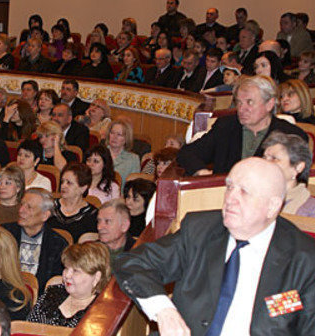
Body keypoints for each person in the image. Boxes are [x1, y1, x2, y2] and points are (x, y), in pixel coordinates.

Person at [115, 157, 315, 335]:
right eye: (229, 187)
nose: (230, 199)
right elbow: (134, 263)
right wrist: (164, 310)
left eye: (244, 192)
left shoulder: (304, 259)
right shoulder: (201, 230)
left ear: (272, 206)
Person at [177, 75, 308, 176]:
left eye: (249, 102)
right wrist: (202, 172)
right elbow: (187, 152)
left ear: (269, 104)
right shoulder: (226, 126)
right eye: (239, 103)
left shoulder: (291, 135)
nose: (242, 109)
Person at [27, 242, 110, 328]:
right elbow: (27, 329)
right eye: (66, 268)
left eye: (75, 271)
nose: (67, 275)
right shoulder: (52, 293)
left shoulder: (103, 310)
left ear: (96, 277)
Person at [2, 188, 68, 293]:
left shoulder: (57, 244)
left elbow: (55, 286)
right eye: (22, 204)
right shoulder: (4, 233)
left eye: (29, 207)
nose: (21, 210)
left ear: (44, 215)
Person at [262, 131, 315, 217]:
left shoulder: (311, 210)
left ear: (298, 167)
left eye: (274, 158)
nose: (265, 163)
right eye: (264, 157)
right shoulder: (251, 197)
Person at [47, 163, 98, 242]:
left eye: (69, 183)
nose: (63, 186)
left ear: (83, 188)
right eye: (62, 181)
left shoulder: (92, 215)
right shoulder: (49, 206)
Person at [97, 199, 136, 265]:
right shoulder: (91, 251)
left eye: (107, 221)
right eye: (99, 221)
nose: (99, 227)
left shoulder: (139, 254)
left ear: (124, 226)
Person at [103, 118, 140, 184]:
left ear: (126, 138)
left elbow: (133, 186)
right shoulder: (99, 153)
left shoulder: (133, 159)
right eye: (112, 133)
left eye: (119, 134)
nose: (114, 137)